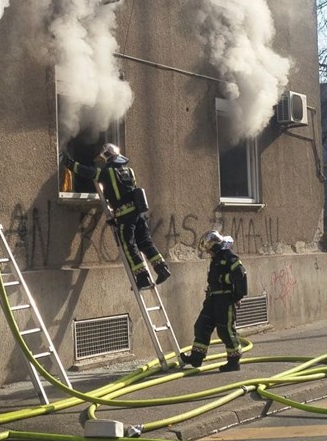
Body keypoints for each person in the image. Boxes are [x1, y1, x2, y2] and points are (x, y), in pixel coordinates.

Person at [61, 143, 171, 290]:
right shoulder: (129, 171)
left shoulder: (106, 173)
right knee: (145, 242)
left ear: (106, 157)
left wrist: (69, 163)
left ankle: (142, 278)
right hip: (138, 214)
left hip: (125, 217)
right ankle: (162, 268)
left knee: (129, 246)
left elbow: (86, 172)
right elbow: (127, 191)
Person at [181, 230, 248, 372]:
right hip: (213, 299)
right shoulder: (217, 258)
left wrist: (236, 296)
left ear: (215, 247)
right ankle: (196, 357)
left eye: (209, 250)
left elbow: (241, 276)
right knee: (202, 325)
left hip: (225, 299)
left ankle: (234, 361)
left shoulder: (230, 257)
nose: (209, 253)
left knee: (225, 330)